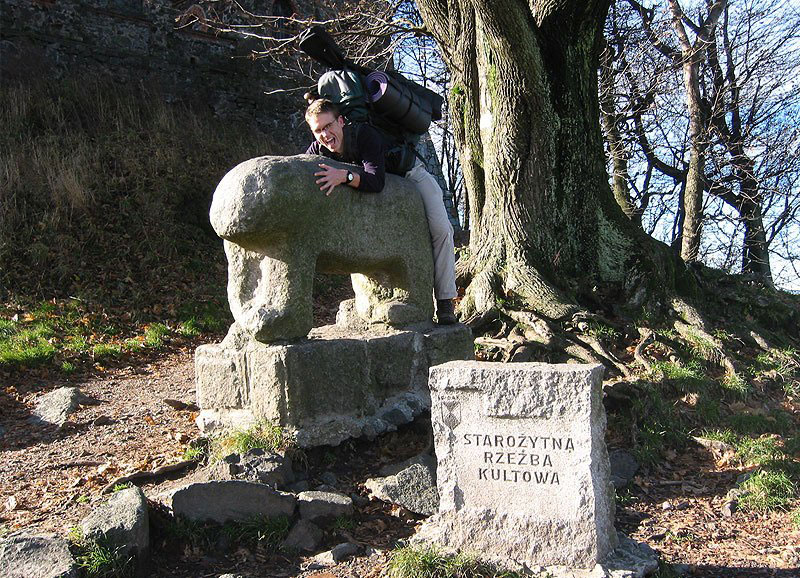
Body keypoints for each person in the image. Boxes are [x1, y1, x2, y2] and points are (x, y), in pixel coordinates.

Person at [304, 98, 458, 325]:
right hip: (373, 192)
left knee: (442, 230)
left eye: (328, 126)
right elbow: (303, 169)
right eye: (318, 130)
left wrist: (344, 176)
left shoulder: (365, 135)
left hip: (410, 174)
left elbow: (376, 181)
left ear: (341, 121)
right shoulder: (319, 149)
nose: (325, 135)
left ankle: (445, 300)